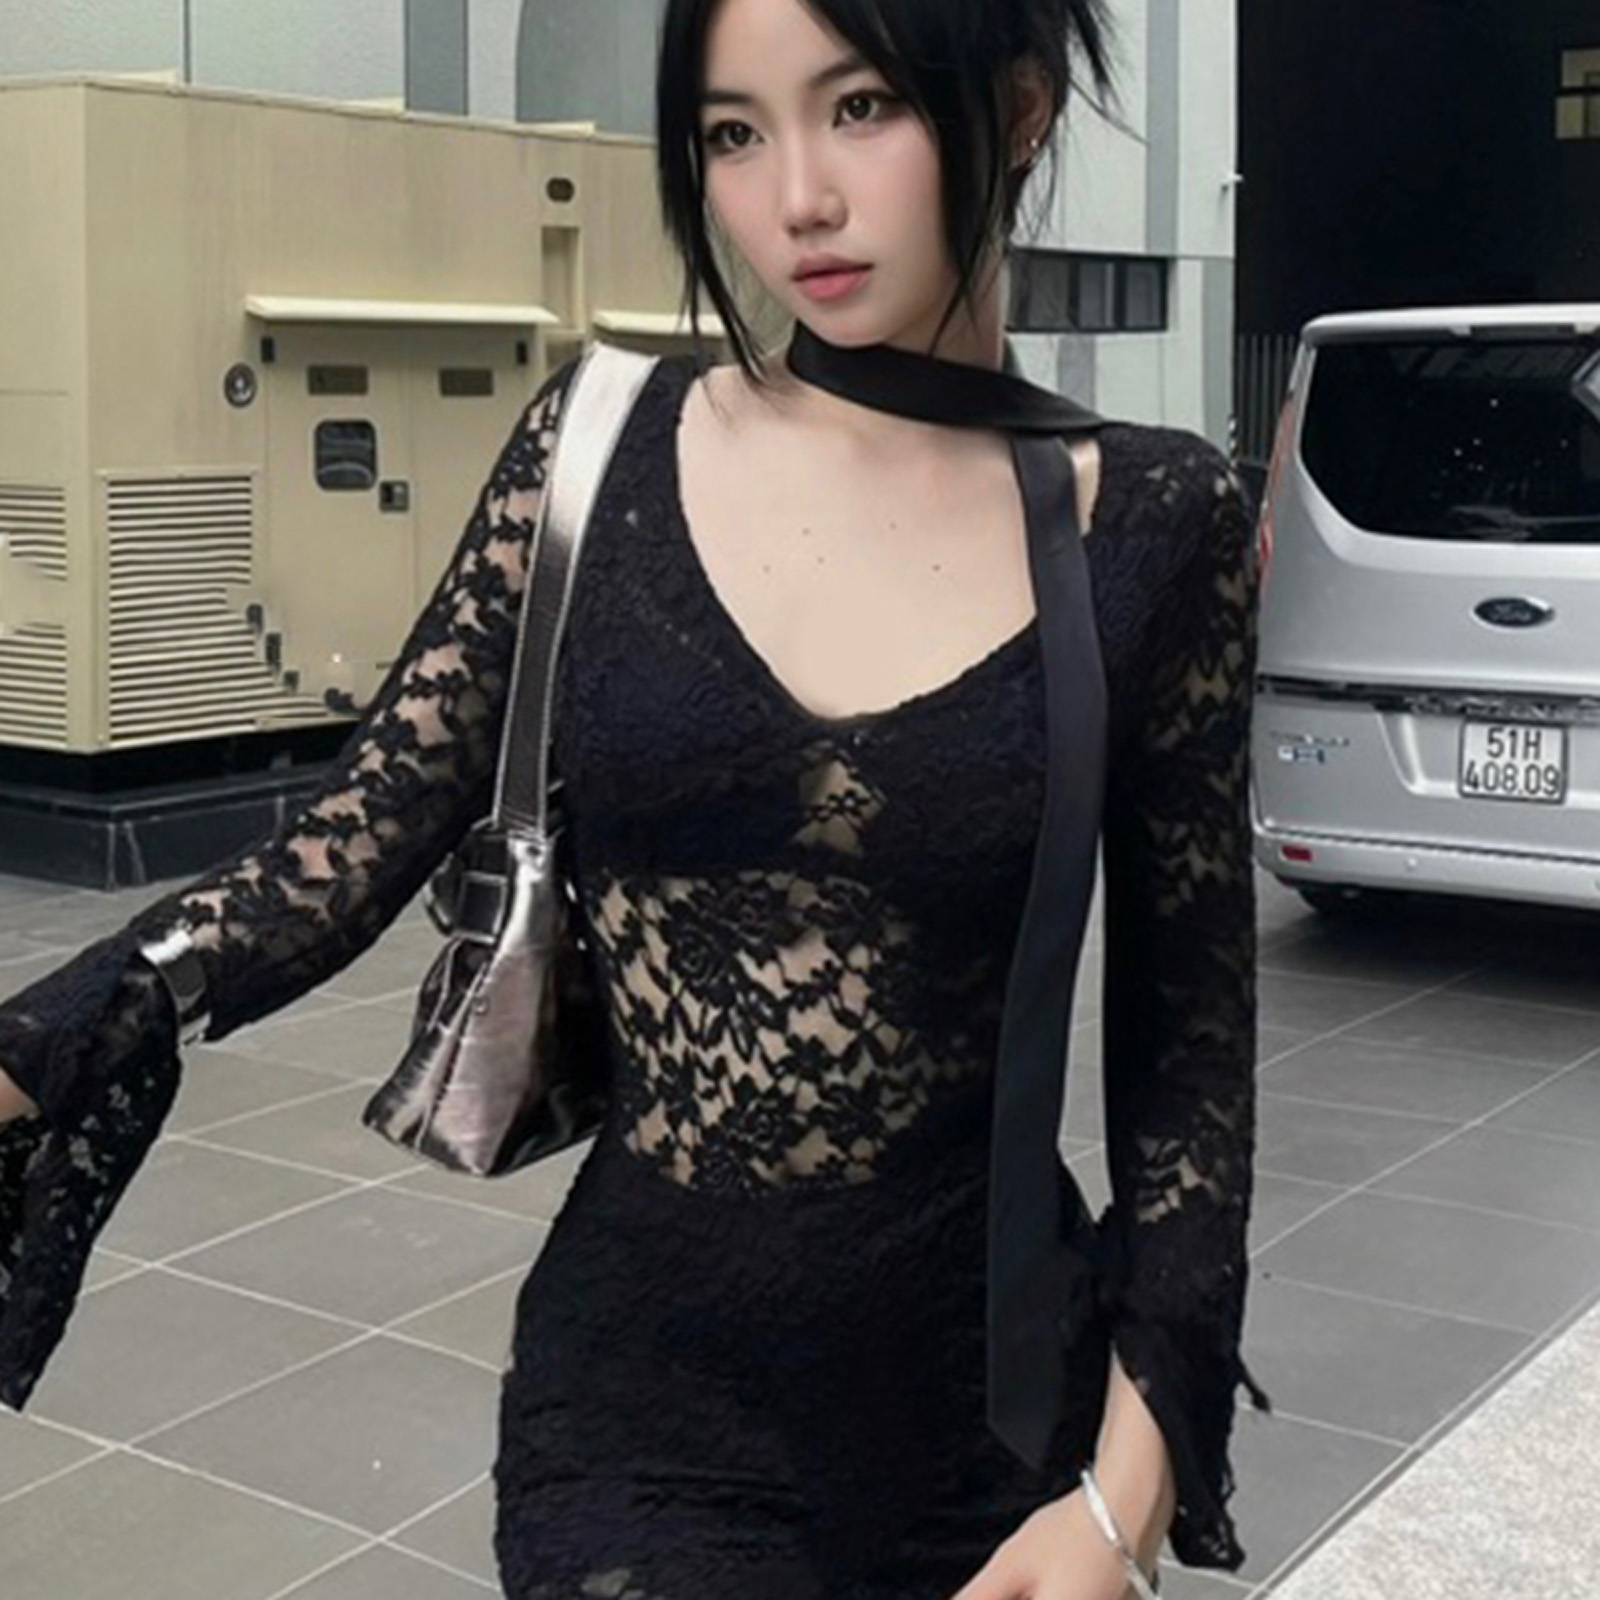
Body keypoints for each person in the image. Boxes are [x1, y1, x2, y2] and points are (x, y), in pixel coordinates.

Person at [0, 0, 1271, 1594]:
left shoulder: (1151, 522)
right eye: (734, 132)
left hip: (995, 1433)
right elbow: (342, 850)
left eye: (861, 106)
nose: (796, 197)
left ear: (1019, 110)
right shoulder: (599, 452)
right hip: (645, 1419)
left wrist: (1117, 1512)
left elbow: (1189, 1066)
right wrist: (42, 1048)